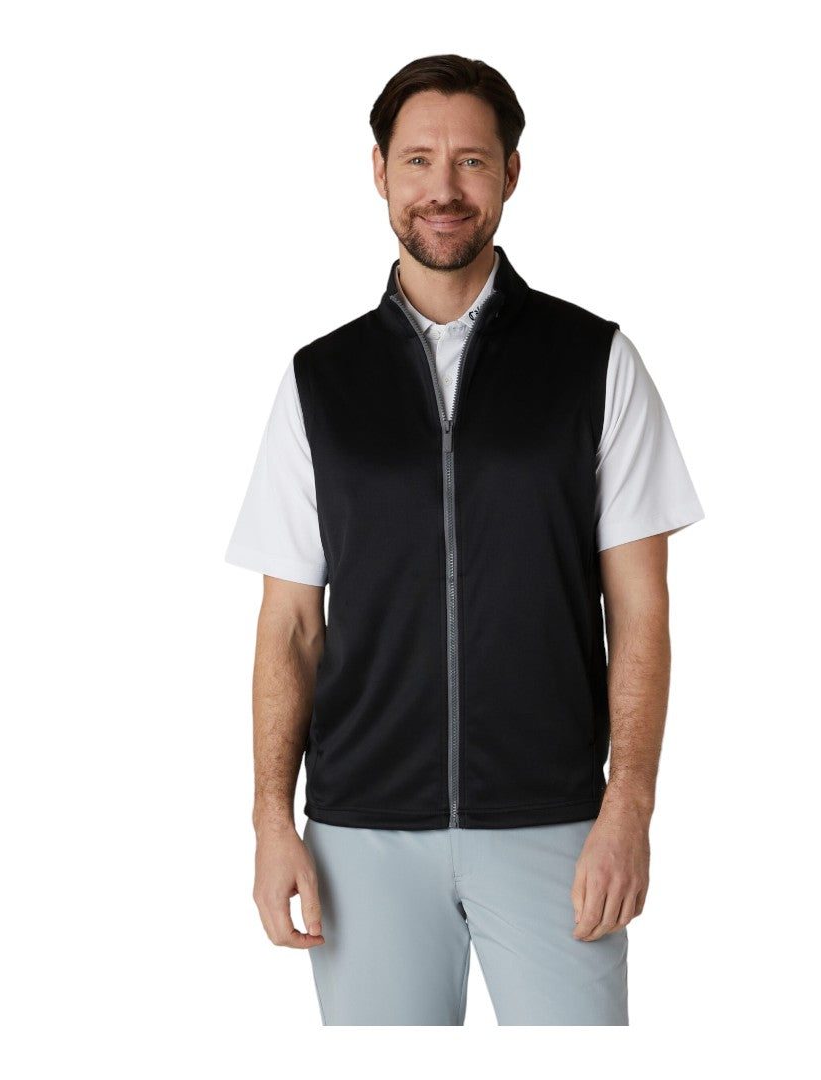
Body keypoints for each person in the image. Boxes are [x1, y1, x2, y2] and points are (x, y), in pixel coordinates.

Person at [224, 54, 705, 1026]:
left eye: (472, 161)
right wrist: (273, 819)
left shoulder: (595, 362)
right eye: (418, 161)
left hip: (556, 826)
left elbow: (641, 611)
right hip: (362, 834)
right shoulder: (320, 382)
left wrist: (630, 806)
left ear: (511, 173)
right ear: (379, 172)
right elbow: (290, 627)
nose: (443, 189)